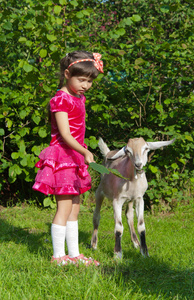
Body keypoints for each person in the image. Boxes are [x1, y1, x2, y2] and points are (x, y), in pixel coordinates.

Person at [33, 51, 103, 266]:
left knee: (75, 207)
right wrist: (84, 151)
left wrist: (80, 153)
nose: (86, 86)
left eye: (90, 81)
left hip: (74, 157)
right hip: (62, 158)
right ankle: (58, 256)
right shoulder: (60, 100)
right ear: (66, 74)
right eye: (81, 80)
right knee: (63, 208)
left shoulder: (78, 97)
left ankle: (74, 254)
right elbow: (64, 134)